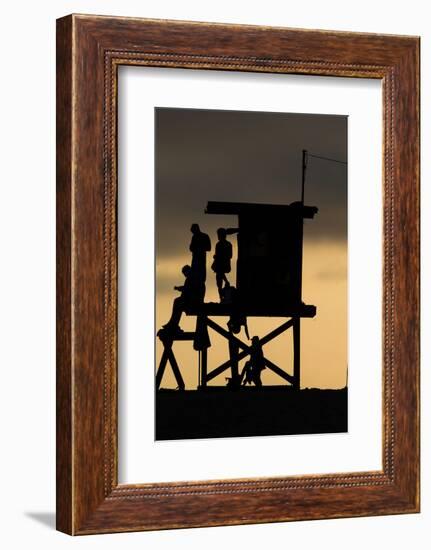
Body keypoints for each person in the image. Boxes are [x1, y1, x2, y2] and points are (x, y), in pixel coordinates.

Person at [158, 265, 205, 337]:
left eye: (185, 273)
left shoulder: (193, 278)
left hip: (194, 301)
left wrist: (179, 288)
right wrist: (181, 289)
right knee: (177, 303)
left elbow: (189, 289)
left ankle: (173, 324)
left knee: (177, 302)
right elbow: (187, 289)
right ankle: (173, 323)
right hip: (191, 300)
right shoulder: (191, 278)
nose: (185, 275)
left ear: (188, 271)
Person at [211, 228, 235, 300]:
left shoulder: (222, 244)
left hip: (223, 265)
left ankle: (221, 296)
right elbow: (229, 255)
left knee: (219, 279)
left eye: (219, 235)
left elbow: (229, 256)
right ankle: (221, 296)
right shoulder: (225, 244)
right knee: (219, 280)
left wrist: (219, 256)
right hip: (221, 265)